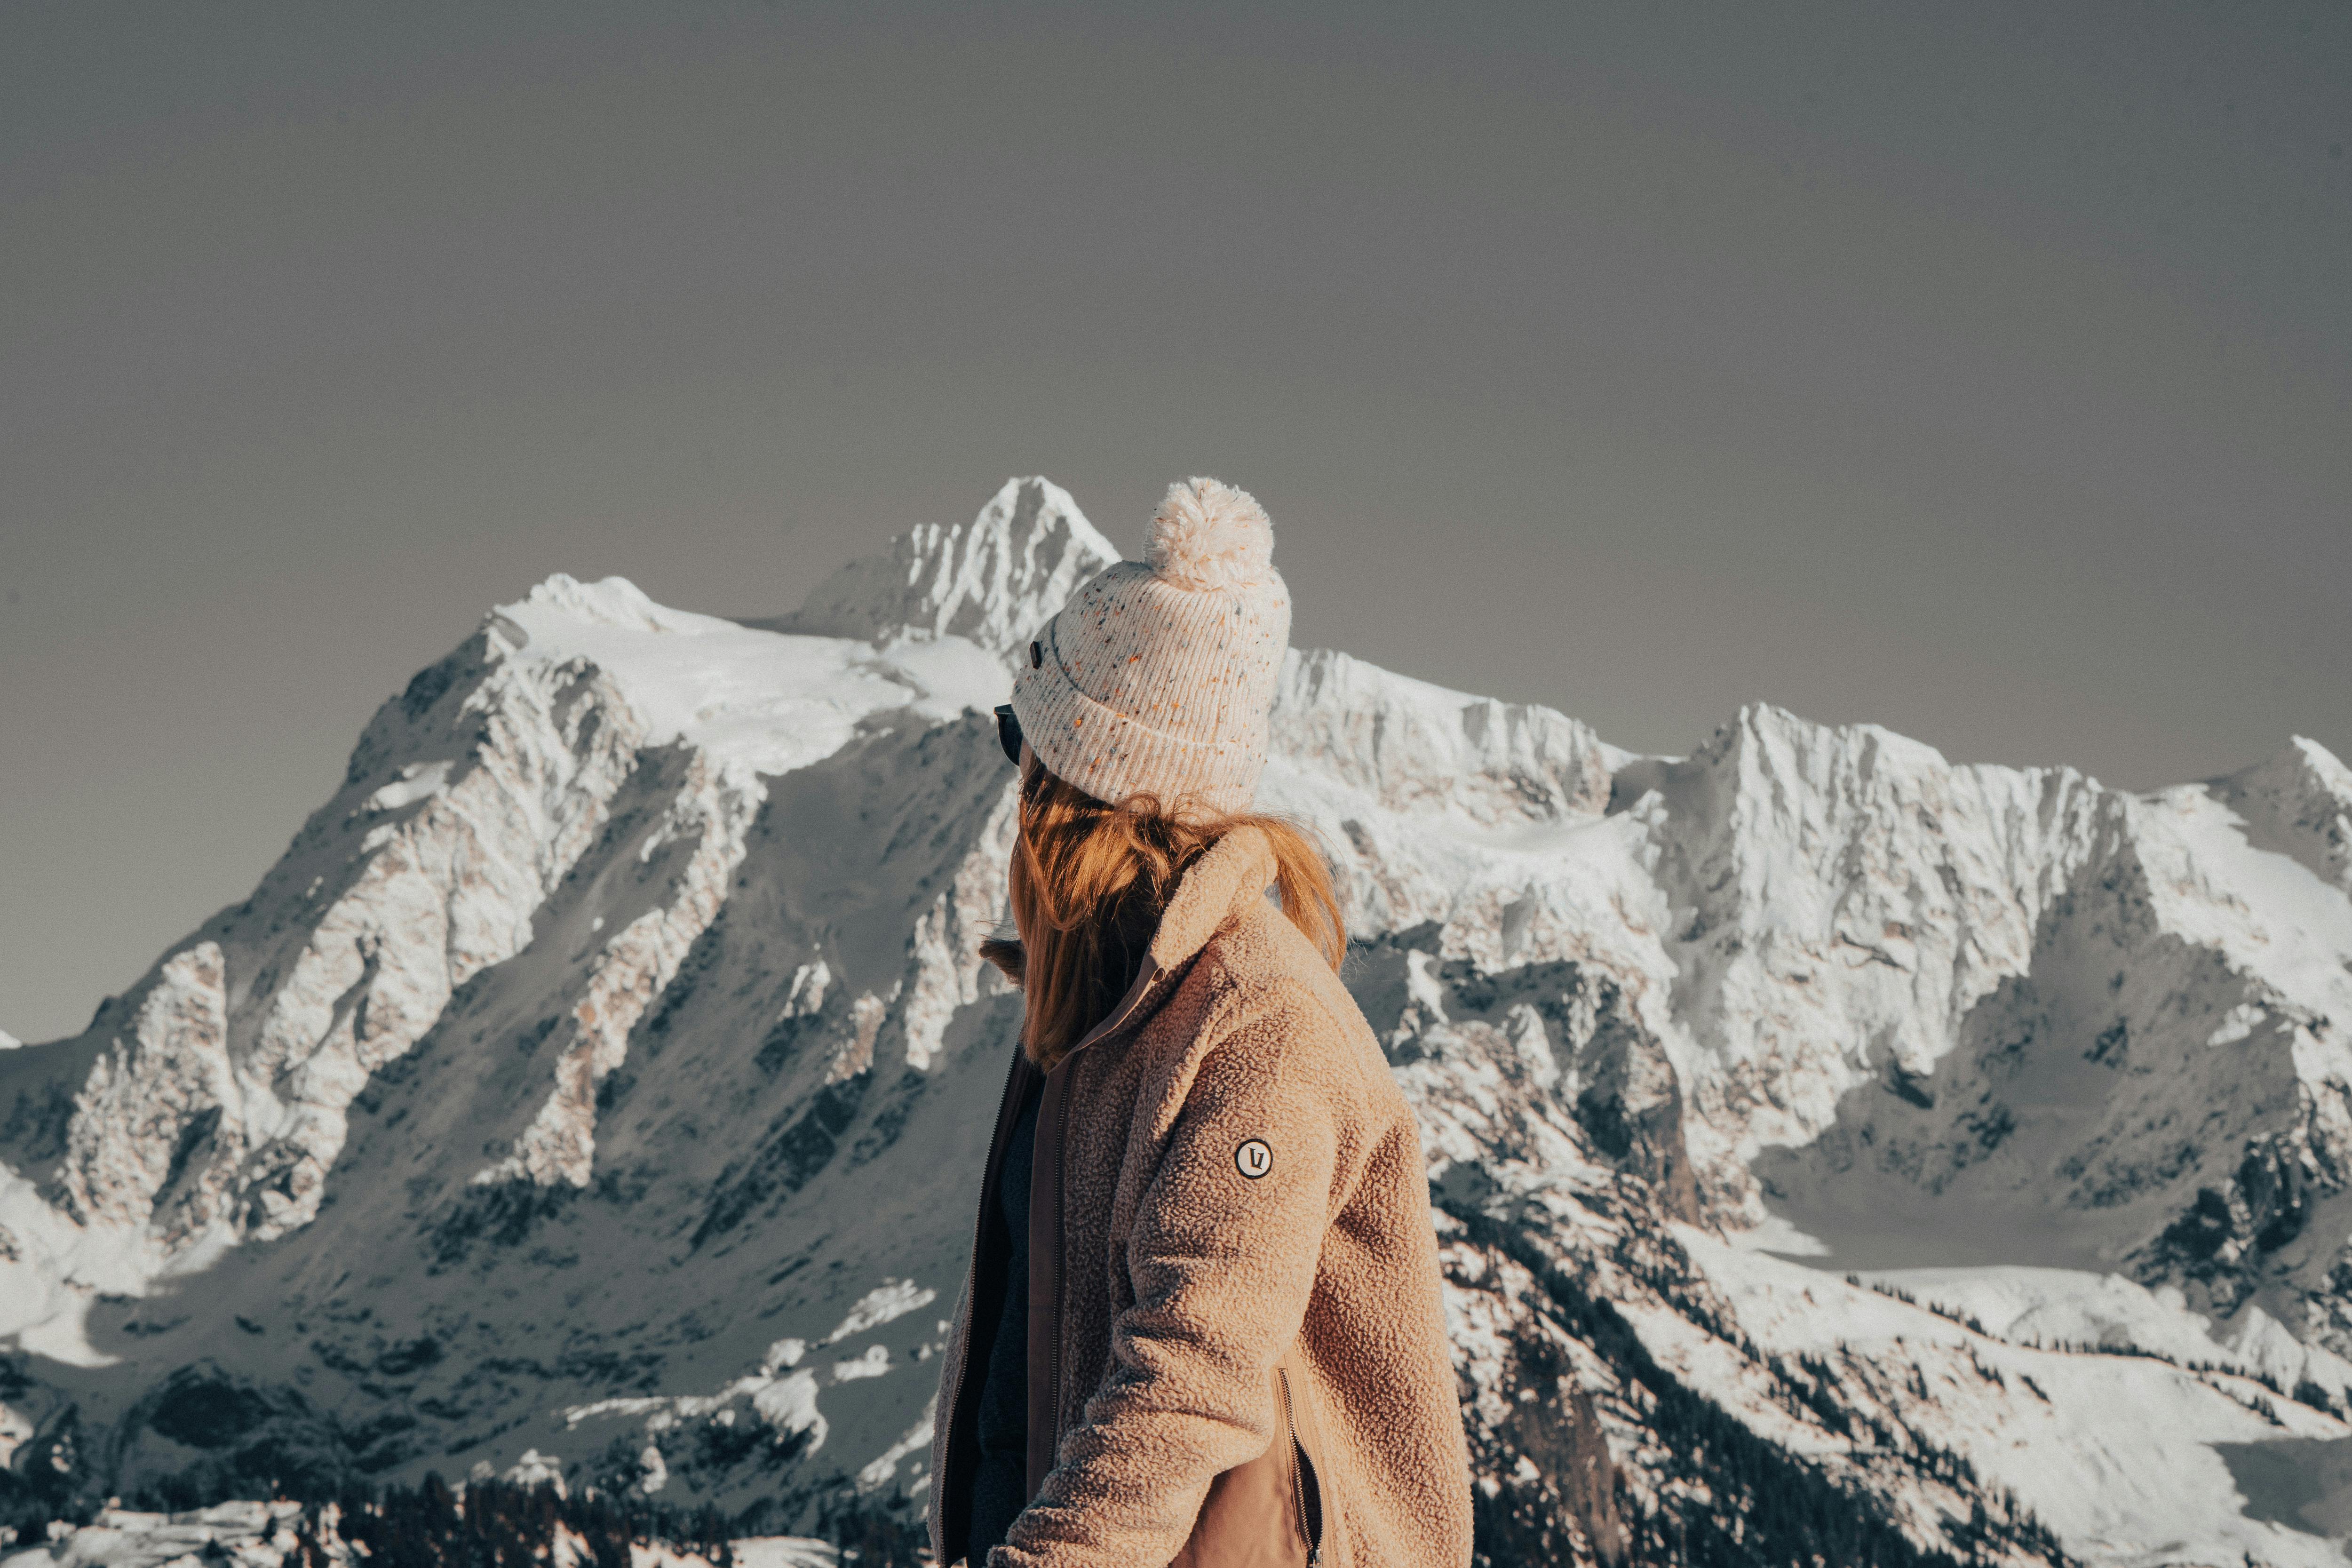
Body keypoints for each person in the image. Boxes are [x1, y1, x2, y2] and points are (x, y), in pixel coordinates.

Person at [926, 478, 1474, 1568]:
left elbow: (1192, 1372)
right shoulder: (1101, 1013)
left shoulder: (1256, 1030)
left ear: (1070, 781)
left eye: (1018, 741)